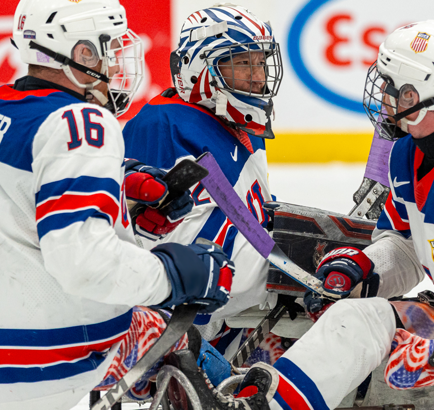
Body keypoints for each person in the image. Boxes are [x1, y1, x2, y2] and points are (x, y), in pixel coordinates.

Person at [174, 20, 434, 410]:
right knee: (348, 318)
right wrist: (362, 267)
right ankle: (264, 400)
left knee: (357, 325)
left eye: (392, 86)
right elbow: (408, 244)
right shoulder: (408, 152)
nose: (382, 95)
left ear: (416, 98)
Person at [0, 1, 234, 409]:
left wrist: (119, 186)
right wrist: (173, 275)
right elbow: (84, 262)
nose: (114, 63)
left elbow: (25, 197)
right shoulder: (83, 122)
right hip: (51, 370)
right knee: (185, 347)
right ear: (81, 53)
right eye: (106, 48)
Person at [122, 4, 284, 358]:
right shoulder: (162, 126)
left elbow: (249, 221)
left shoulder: (240, 121)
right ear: (202, 70)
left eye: (260, 62)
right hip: (189, 336)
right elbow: (155, 255)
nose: (258, 76)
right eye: (243, 63)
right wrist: (284, 275)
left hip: (241, 319)